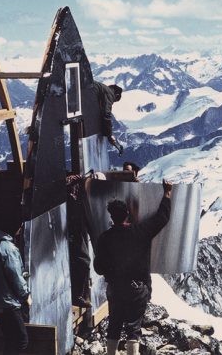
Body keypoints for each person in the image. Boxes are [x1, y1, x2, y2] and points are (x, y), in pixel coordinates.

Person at [94, 180, 173, 355]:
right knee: (133, 329)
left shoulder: (105, 238)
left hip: (115, 288)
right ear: (127, 215)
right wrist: (167, 193)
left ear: (111, 217)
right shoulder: (140, 232)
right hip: (136, 289)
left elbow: (98, 268)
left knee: (114, 325)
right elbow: (162, 218)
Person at [0, 217, 31, 354]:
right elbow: (15, 276)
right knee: (21, 340)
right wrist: (26, 295)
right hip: (6, 302)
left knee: (10, 339)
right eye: (20, 228)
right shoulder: (9, 249)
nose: (20, 231)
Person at [66, 174, 92, 309]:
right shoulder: (70, 199)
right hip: (73, 234)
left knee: (83, 261)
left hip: (76, 233)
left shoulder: (73, 198)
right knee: (83, 261)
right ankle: (77, 295)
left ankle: (78, 294)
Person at [93, 82, 123, 152]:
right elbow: (106, 113)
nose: (112, 102)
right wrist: (109, 134)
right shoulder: (109, 94)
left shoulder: (104, 89)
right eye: (114, 100)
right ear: (116, 95)